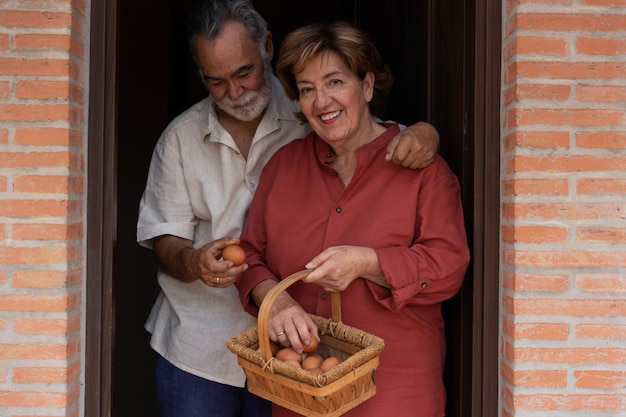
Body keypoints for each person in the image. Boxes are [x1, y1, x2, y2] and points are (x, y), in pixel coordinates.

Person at [136, 1, 440, 416]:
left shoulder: (311, 112)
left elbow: (378, 138)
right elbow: (168, 240)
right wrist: (193, 262)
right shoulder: (181, 139)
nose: (235, 91)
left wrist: (427, 132)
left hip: (293, 350)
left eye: (243, 72)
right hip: (199, 341)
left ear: (267, 46)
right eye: (216, 81)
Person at [236, 21, 470, 417]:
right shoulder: (283, 167)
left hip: (396, 391)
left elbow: (448, 267)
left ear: (366, 85)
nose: (321, 100)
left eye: (334, 82)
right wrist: (276, 302)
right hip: (301, 396)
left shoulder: (423, 169)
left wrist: (368, 263)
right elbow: (248, 255)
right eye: (307, 89)